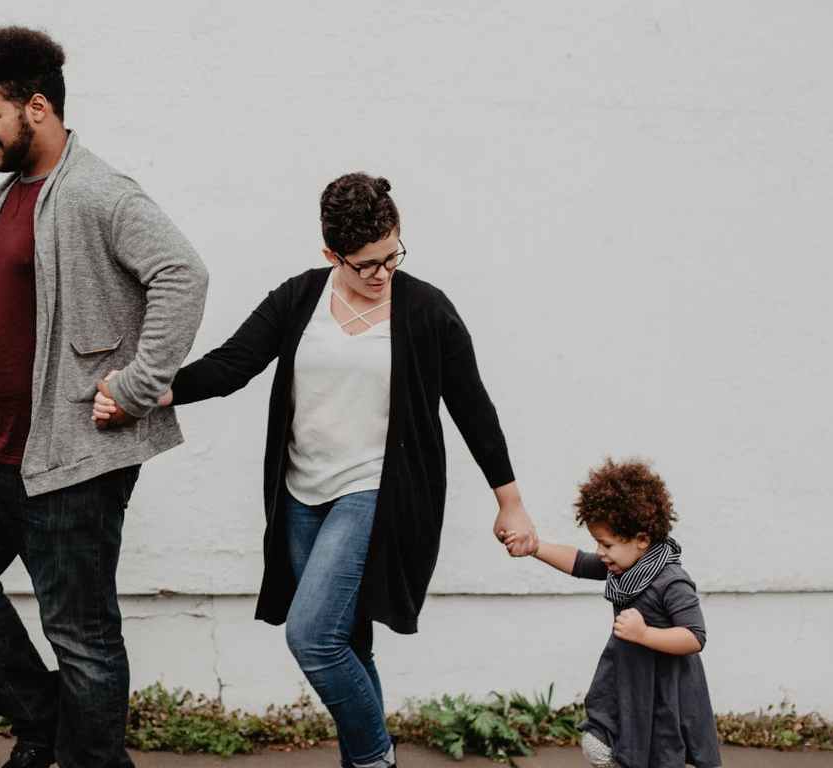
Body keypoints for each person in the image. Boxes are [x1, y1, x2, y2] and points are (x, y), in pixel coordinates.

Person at [94, 172, 537, 768]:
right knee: (346, 639)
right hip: (300, 496)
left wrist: (510, 501)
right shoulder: (300, 298)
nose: (382, 273)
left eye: (392, 256)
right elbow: (232, 364)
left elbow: (473, 407)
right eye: (366, 264)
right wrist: (147, 393)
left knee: (312, 637)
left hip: (373, 491)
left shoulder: (427, 311)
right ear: (332, 254)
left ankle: (374, 759)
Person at [0, 25, 209, 768]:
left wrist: (137, 387)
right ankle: (45, 728)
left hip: (70, 458)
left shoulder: (101, 193)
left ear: (35, 107)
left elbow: (183, 276)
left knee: (81, 636)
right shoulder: (0, 200)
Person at [521, 458, 721, 768]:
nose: (600, 552)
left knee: (660, 757)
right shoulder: (624, 568)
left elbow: (695, 636)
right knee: (597, 743)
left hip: (664, 692)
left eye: (607, 544)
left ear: (641, 540)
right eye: (597, 543)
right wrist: (535, 547)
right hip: (629, 683)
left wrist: (644, 634)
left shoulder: (671, 581)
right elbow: (578, 562)